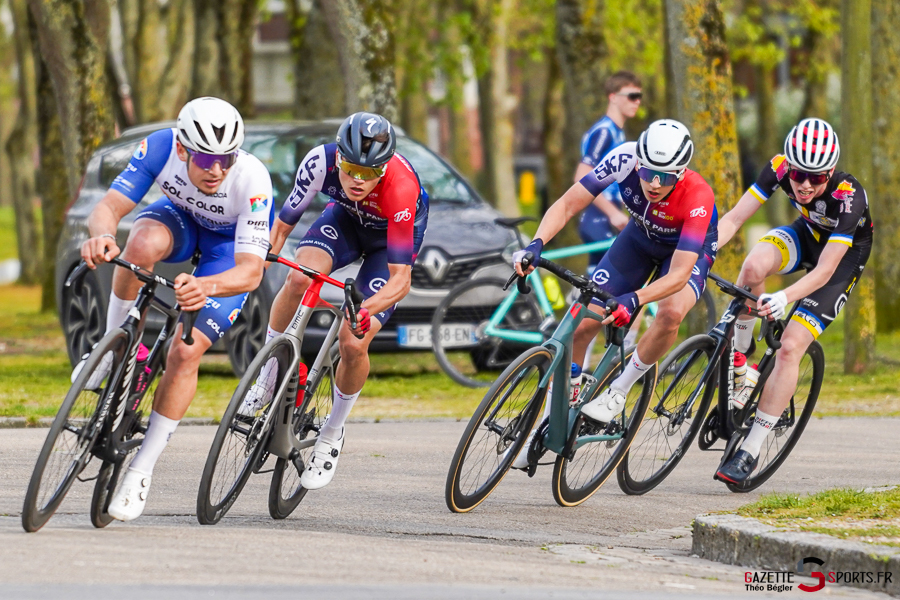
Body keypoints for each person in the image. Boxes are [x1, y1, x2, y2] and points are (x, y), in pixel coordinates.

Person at [76, 97, 273, 520]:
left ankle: (140, 471)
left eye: (226, 157)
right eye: (205, 158)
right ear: (183, 148)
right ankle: (113, 353)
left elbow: (252, 272)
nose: (217, 169)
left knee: (184, 352)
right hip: (178, 221)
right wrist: (101, 237)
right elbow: (108, 209)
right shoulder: (161, 147)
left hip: (226, 251)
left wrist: (206, 286)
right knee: (138, 246)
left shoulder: (252, 179)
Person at [511, 119, 718, 468]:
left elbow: (681, 274)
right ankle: (554, 416)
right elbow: (567, 204)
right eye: (649, 171)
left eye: (666, 177)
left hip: (683, 253)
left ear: (681, 173)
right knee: (582, 326)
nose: (654, 183)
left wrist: (635, 299)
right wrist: (536, 243)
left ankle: (619, 390)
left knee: (670, 313)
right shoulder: (623, 157)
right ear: (638, 160)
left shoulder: (698, 196)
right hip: (637, 240)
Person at [246, 112, 429, 491]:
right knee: (297, 277)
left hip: (386, 246)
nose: (358, 180)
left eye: (370, 172)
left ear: (384, 168)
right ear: (338, 158)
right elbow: (282, 227)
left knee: (352, 340)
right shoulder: (318, 161)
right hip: (344, 222)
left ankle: (332, 432)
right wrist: (261, 259)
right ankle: (267, 378)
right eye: (349, 169)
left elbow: (400, 280)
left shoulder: (400, 189)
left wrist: (366, 311)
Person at [714, 118, 872, 484]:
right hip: (806, 234)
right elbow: (735, 218)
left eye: (816, 178)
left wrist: (784, 297)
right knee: (752, 266)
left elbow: (825, 270)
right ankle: (740, 360)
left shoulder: (850, 197)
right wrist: (701, 251)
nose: (804, 184)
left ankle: (750, 451)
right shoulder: (778, 168)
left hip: (840, 259)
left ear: (830, 172)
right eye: (799, 174)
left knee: (791, 345)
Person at [575, 71, 642, 272]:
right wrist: (613, 213)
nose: (637, 102)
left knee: (598, 283)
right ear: (613, 97)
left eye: (639, 97)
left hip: (605, 215)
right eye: (631, 96)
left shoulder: (616, 133)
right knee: (621, 275)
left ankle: (576, 302)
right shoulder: (604, 132)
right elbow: (582, 176)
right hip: (597, 216)